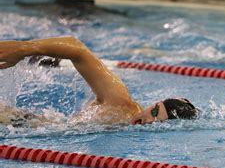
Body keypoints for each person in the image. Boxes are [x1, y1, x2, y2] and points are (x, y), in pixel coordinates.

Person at [0, 37, 198, 127]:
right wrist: (24, 49)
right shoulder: (120, 103)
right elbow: (77, 49)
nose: (148, 120)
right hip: (21, 121)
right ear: (153, 104)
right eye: (154, 112)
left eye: (156, 123)